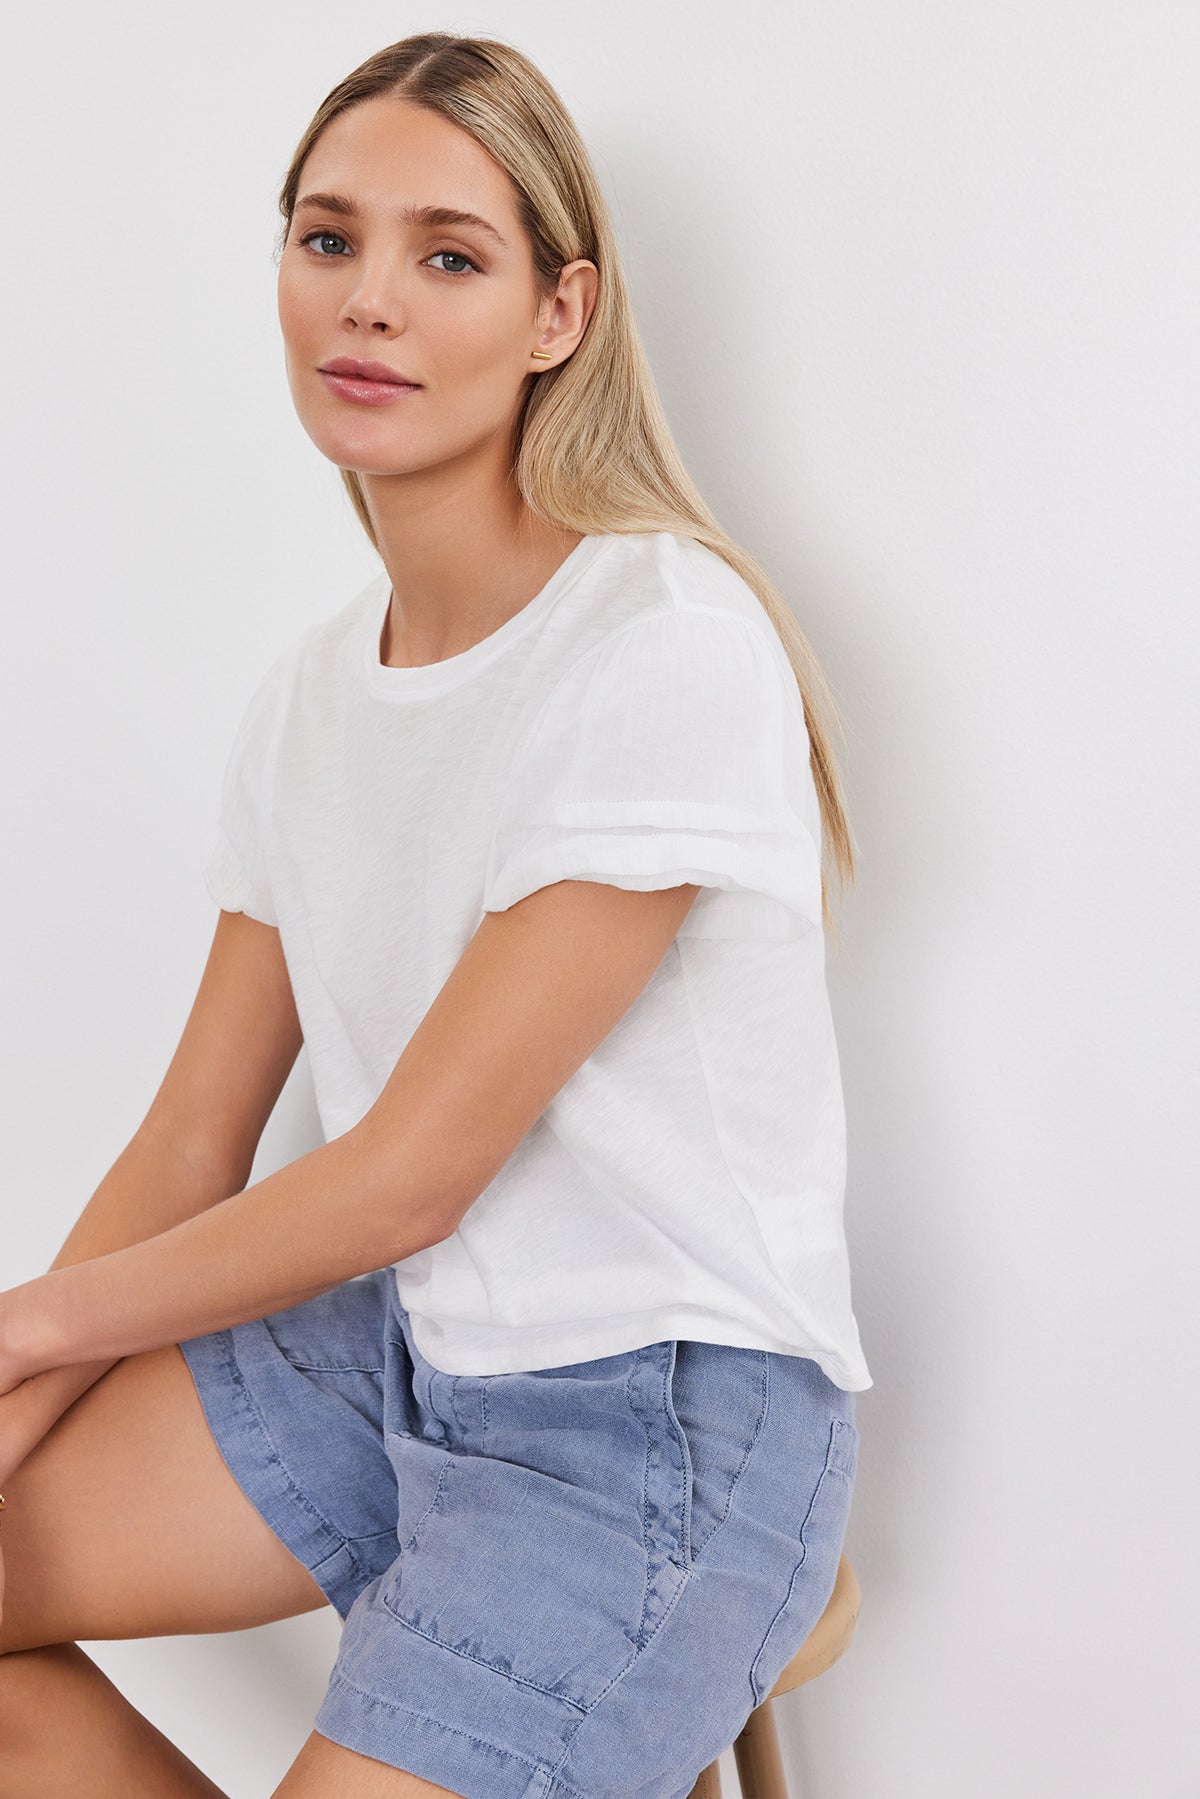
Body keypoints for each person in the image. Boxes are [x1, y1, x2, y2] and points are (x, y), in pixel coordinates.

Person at [0, 30, 871, 1799]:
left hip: (654, 1423)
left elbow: (409, 1168)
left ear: (562, 312)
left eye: (446, 257)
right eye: (328, 242)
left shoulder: (663, 644)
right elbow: (189, 1143)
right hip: (402, 1344)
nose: (368, 304)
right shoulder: (312, 698)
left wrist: (23, 1332)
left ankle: (687, 1605)